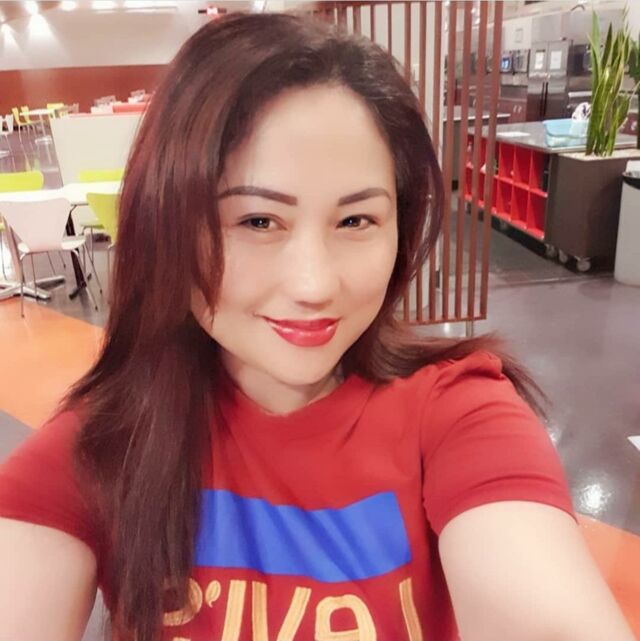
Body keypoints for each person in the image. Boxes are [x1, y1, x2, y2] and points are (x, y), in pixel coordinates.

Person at [0, 12, 634, 641]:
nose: (314, 285)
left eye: (355, 221)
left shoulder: (457, 413)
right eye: (256, 221)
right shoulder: (106, 443)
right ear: (168, 223)